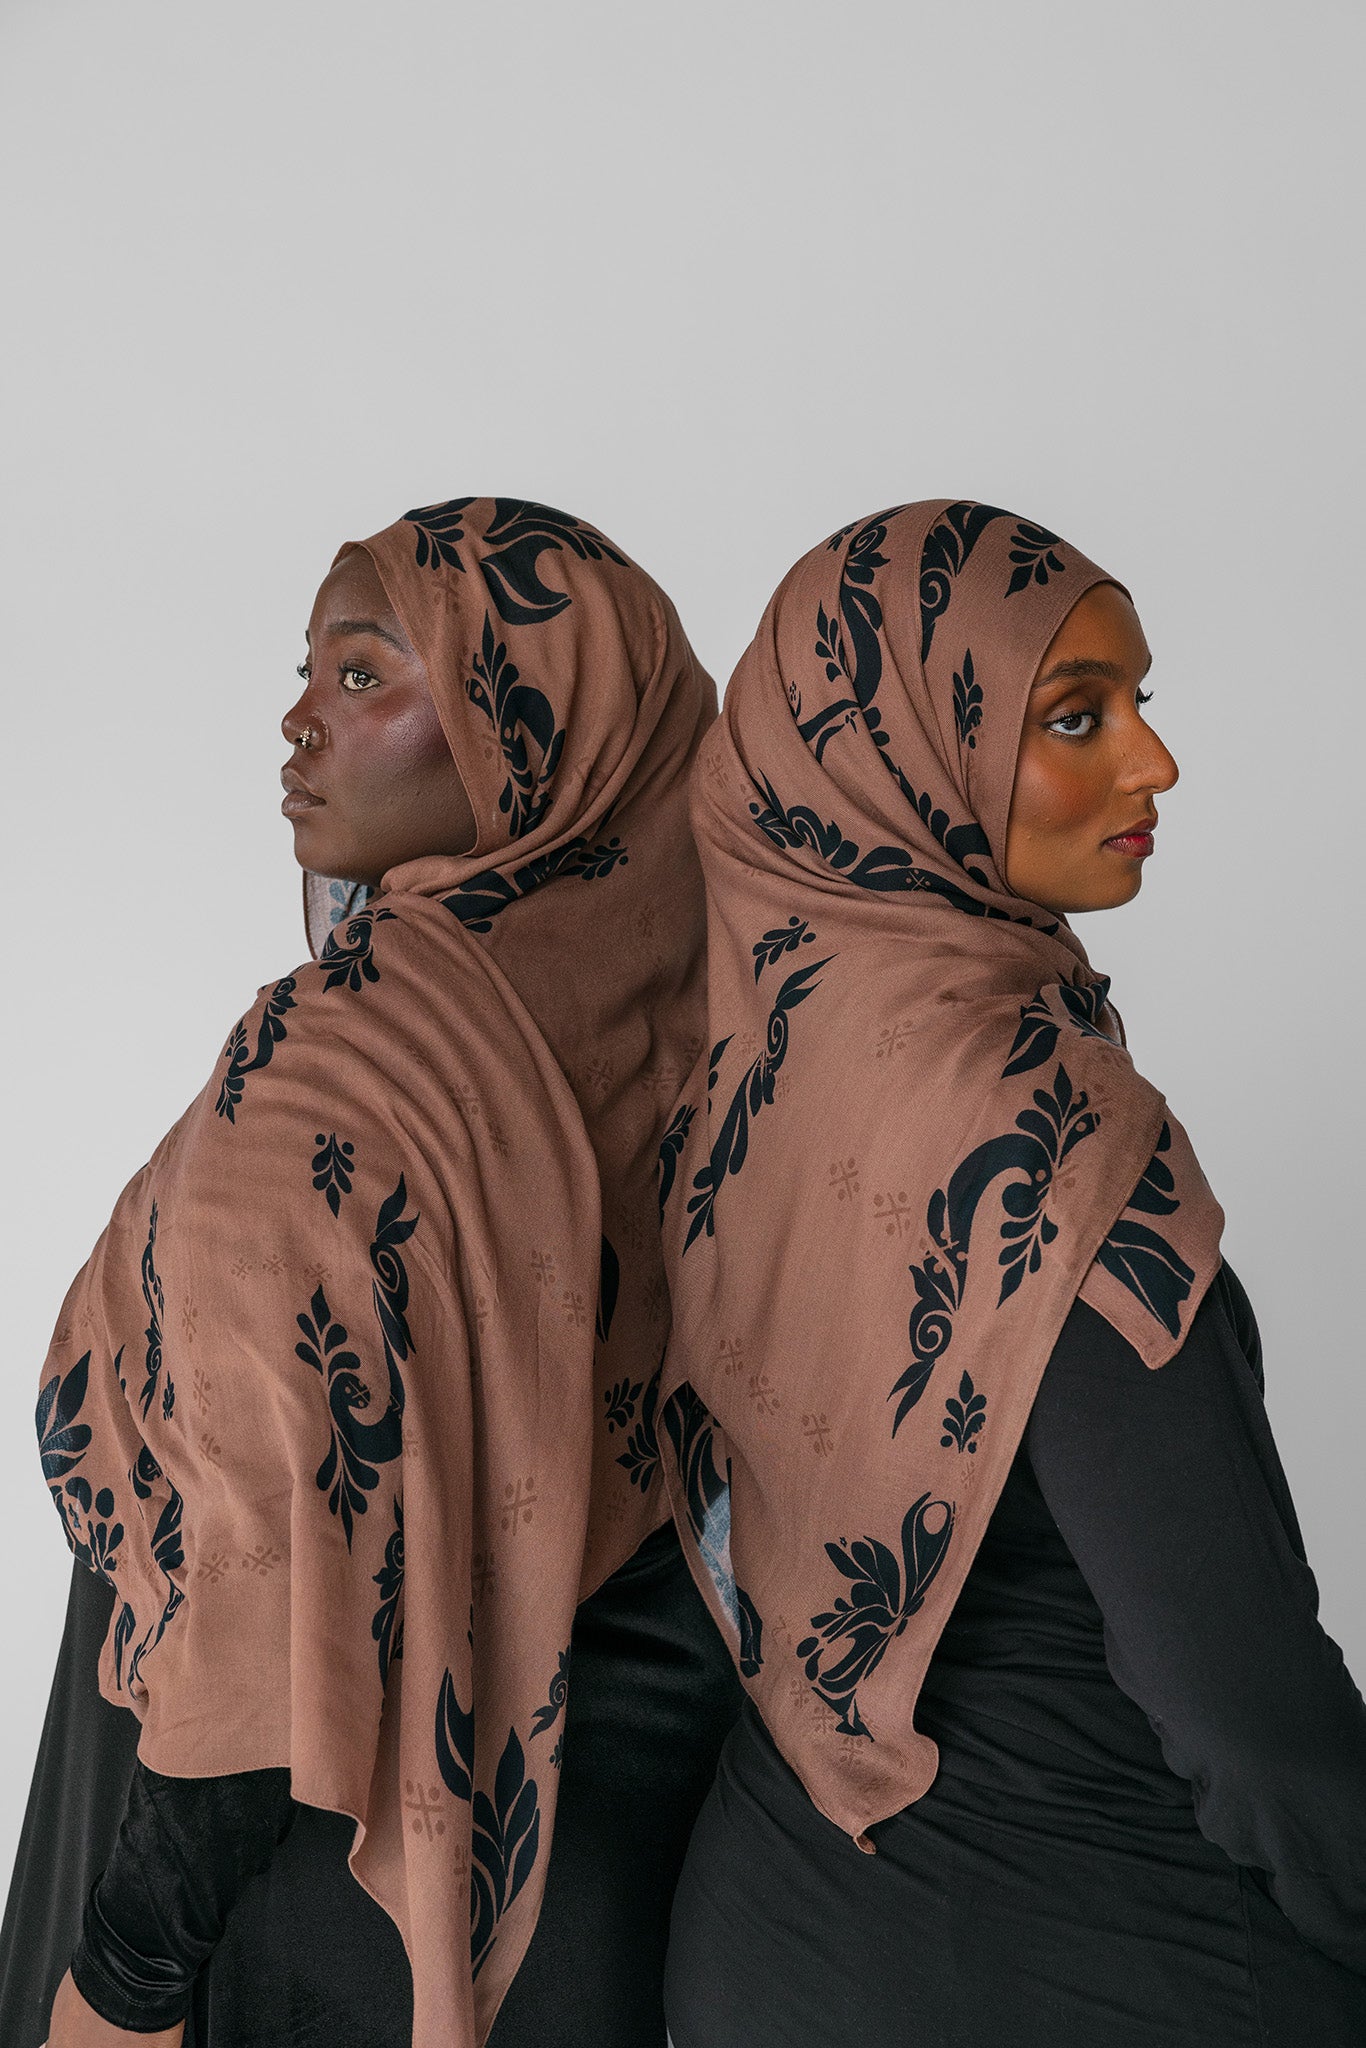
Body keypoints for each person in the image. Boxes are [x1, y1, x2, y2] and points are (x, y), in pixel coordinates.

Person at [0, 496, 740, 2048]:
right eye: (308, 674)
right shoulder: (730, 1046)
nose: (299, 721)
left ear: (535, 725)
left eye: (361, 675)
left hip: (311, 1885)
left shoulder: (340, 1068)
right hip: (605, 1887)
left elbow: (266, 1588)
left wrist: (122, 1983)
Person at [654, 501, 1366, 2046]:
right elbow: (1244, 1719)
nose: (1152, 764)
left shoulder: (737, 1085)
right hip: (1088, 1953)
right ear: (908, 758)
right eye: (1073, 716)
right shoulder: (1051, 1134)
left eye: (1136, 703)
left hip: (769, 1942)